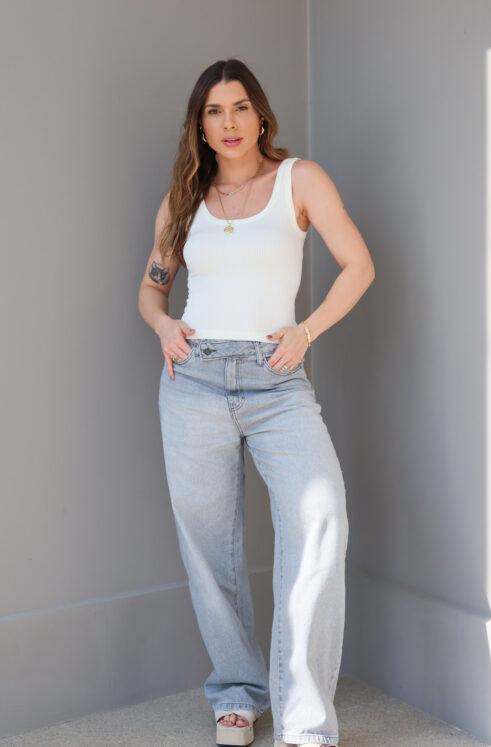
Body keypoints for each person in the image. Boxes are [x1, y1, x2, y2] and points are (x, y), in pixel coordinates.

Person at [137, 57, 375, 747]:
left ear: (260, 114)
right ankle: (237, 694)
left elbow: (359, 264)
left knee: (320, 519)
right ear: (200, 126)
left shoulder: (299, 179)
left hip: (277, 380)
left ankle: (305, 721)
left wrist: (307, 331)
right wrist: (164, 326)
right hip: (194, 379)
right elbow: (151, 288)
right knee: (209, 548)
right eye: (214, 111)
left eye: (240, 107)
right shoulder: (183, 199)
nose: (230, 122)